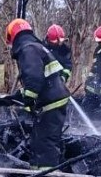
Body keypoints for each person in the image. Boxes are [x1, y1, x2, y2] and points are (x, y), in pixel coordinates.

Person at [5, 18, 70, 167]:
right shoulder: (35, 47)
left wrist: (28, 99)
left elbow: (34, 78)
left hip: (51, 103)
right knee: (40, 139)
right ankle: (38, 170)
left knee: (45, 142)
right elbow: (38, 79)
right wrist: (20, 96)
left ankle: (46, 175)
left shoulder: (28, 49)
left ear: (13, 36)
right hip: (53, 99)